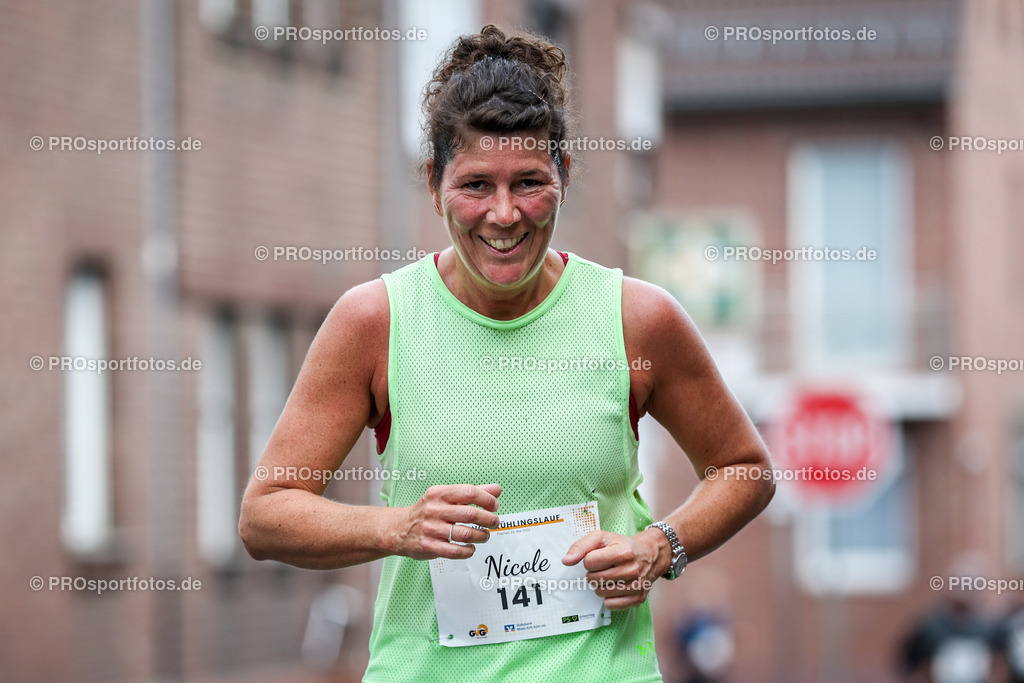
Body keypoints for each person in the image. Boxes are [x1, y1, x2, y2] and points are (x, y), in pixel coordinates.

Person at [239, 24, 774, 682]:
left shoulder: (636, 318)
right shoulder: (375, 321)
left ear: (565, 175)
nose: (503, 214)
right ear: (433, 180)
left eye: (528, 182)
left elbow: (745, 468)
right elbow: (265, 516)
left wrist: (660, 546)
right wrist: (398, 527)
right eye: (474, 185)